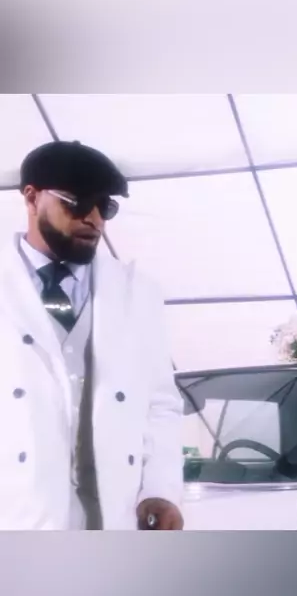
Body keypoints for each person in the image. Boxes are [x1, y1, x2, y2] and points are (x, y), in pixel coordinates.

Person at [0, 139, 184, 529]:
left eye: (105, 206)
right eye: (78, 203)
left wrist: (161, 489)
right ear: (31, 198)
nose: (94, 219)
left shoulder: (138, 294)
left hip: (110, 517)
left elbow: (161, 404)